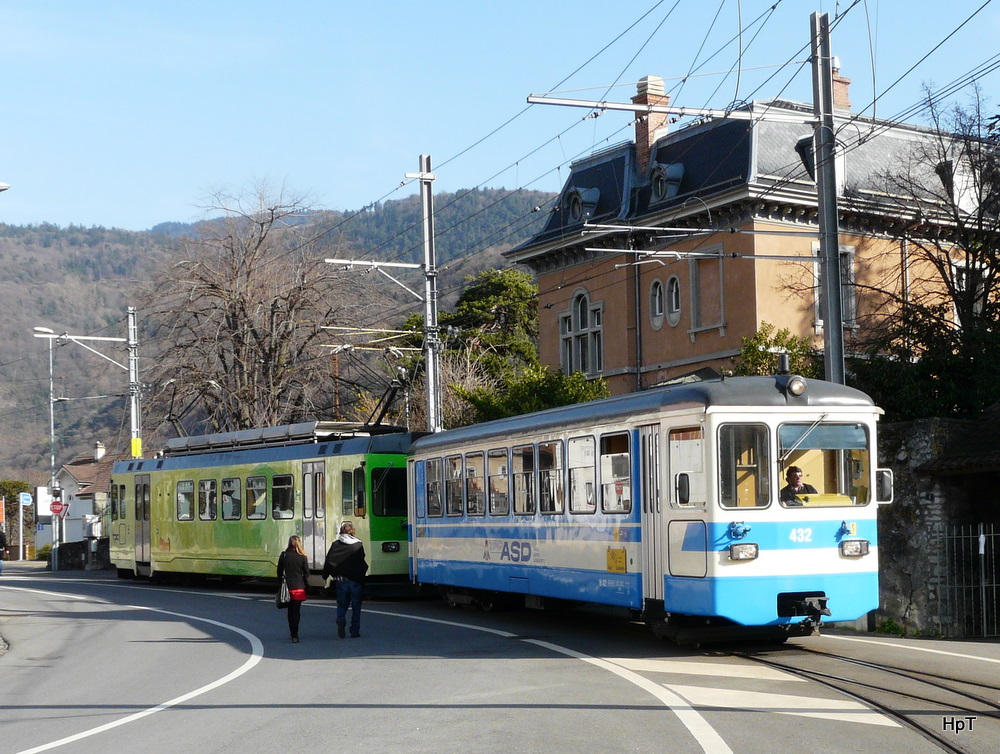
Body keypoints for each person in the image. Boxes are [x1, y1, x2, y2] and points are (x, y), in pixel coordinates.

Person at [322, 522, 368, 638]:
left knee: (342, 604)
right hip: (355, 581)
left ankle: (341, 620)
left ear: (341, 531)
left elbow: (329, 561)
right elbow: (361, 562)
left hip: (341, 580)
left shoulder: (336, 544)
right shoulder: (358, 545)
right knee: (356, 606)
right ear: (352, 531)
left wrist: (325, 575)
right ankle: (354, 631)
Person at [277, 535, 310, 643]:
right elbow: (306, 573)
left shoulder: (284, 555)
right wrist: (304, 583)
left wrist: (280, 584)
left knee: (290, 612)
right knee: (296, 611)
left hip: (287, 587)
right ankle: (296, 634)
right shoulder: (302, 556)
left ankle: (292, 633)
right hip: (299, 587)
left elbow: (279, 572)